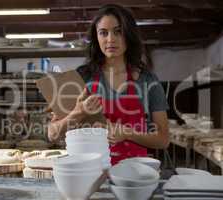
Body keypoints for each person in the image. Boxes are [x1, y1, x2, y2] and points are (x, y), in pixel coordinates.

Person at [48, 4, 169, 165]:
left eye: (118, 32)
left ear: (129, 34)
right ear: (96, 38)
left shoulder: (147, 80)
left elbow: (163, 139)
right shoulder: (81, 77)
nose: (110, 39)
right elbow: (53, 134)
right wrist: (78, 112)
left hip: (134, 173)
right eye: (103, 33)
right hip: (90, 171)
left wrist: (127, 133)